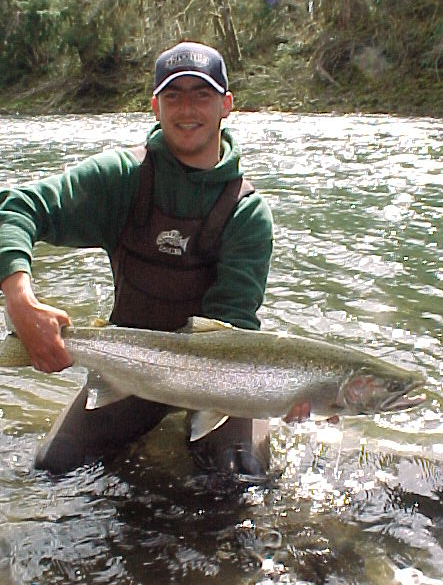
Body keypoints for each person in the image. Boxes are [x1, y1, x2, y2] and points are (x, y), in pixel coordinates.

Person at [0, 41, 310, 478]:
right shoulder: (121, 179)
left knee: (240, 477)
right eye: (173, 95)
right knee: (56, 466)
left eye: (201, 94)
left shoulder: (246, 212)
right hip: (128, 370)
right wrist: (19, 300)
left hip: (224, 382)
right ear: (155, 106)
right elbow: (15, 208)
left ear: (227, 105)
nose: (187, 109)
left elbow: (233, 325)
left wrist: (289, 393)